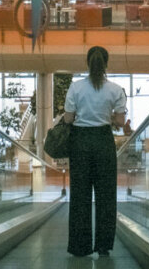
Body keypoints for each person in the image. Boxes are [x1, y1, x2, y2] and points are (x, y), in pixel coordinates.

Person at [63, 46, 127, 257]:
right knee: (106, 194)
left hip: (80, 141)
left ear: (87, 63)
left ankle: (80, 247)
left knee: (80, 195)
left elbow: (69, 118)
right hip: (103, 141)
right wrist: (107, 116)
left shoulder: (76, 88)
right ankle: (103, 245)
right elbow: (120, 121)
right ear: (106, 64)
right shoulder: (116, 90)